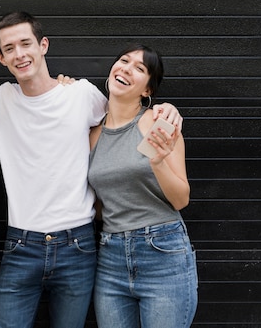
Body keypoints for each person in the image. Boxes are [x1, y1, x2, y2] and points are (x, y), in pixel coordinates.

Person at [0, 12, 183, 328]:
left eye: (26, 43)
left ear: (43, 45)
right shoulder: (0, 100)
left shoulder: (82, 94)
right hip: (20, 246)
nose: (20, 54)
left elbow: (124, 114)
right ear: (1, 58)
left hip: (78, 245)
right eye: (10, 48)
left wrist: (164, 108)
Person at [87, 43, 198, 328]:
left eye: (139, 68)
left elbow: (181, 199)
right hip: (110, 256)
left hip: (162, 251)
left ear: (147, 90)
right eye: (123, 60)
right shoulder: (92, 134)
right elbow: (100, 205)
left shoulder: (157, 123)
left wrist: (158, 162)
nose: (126, 68)